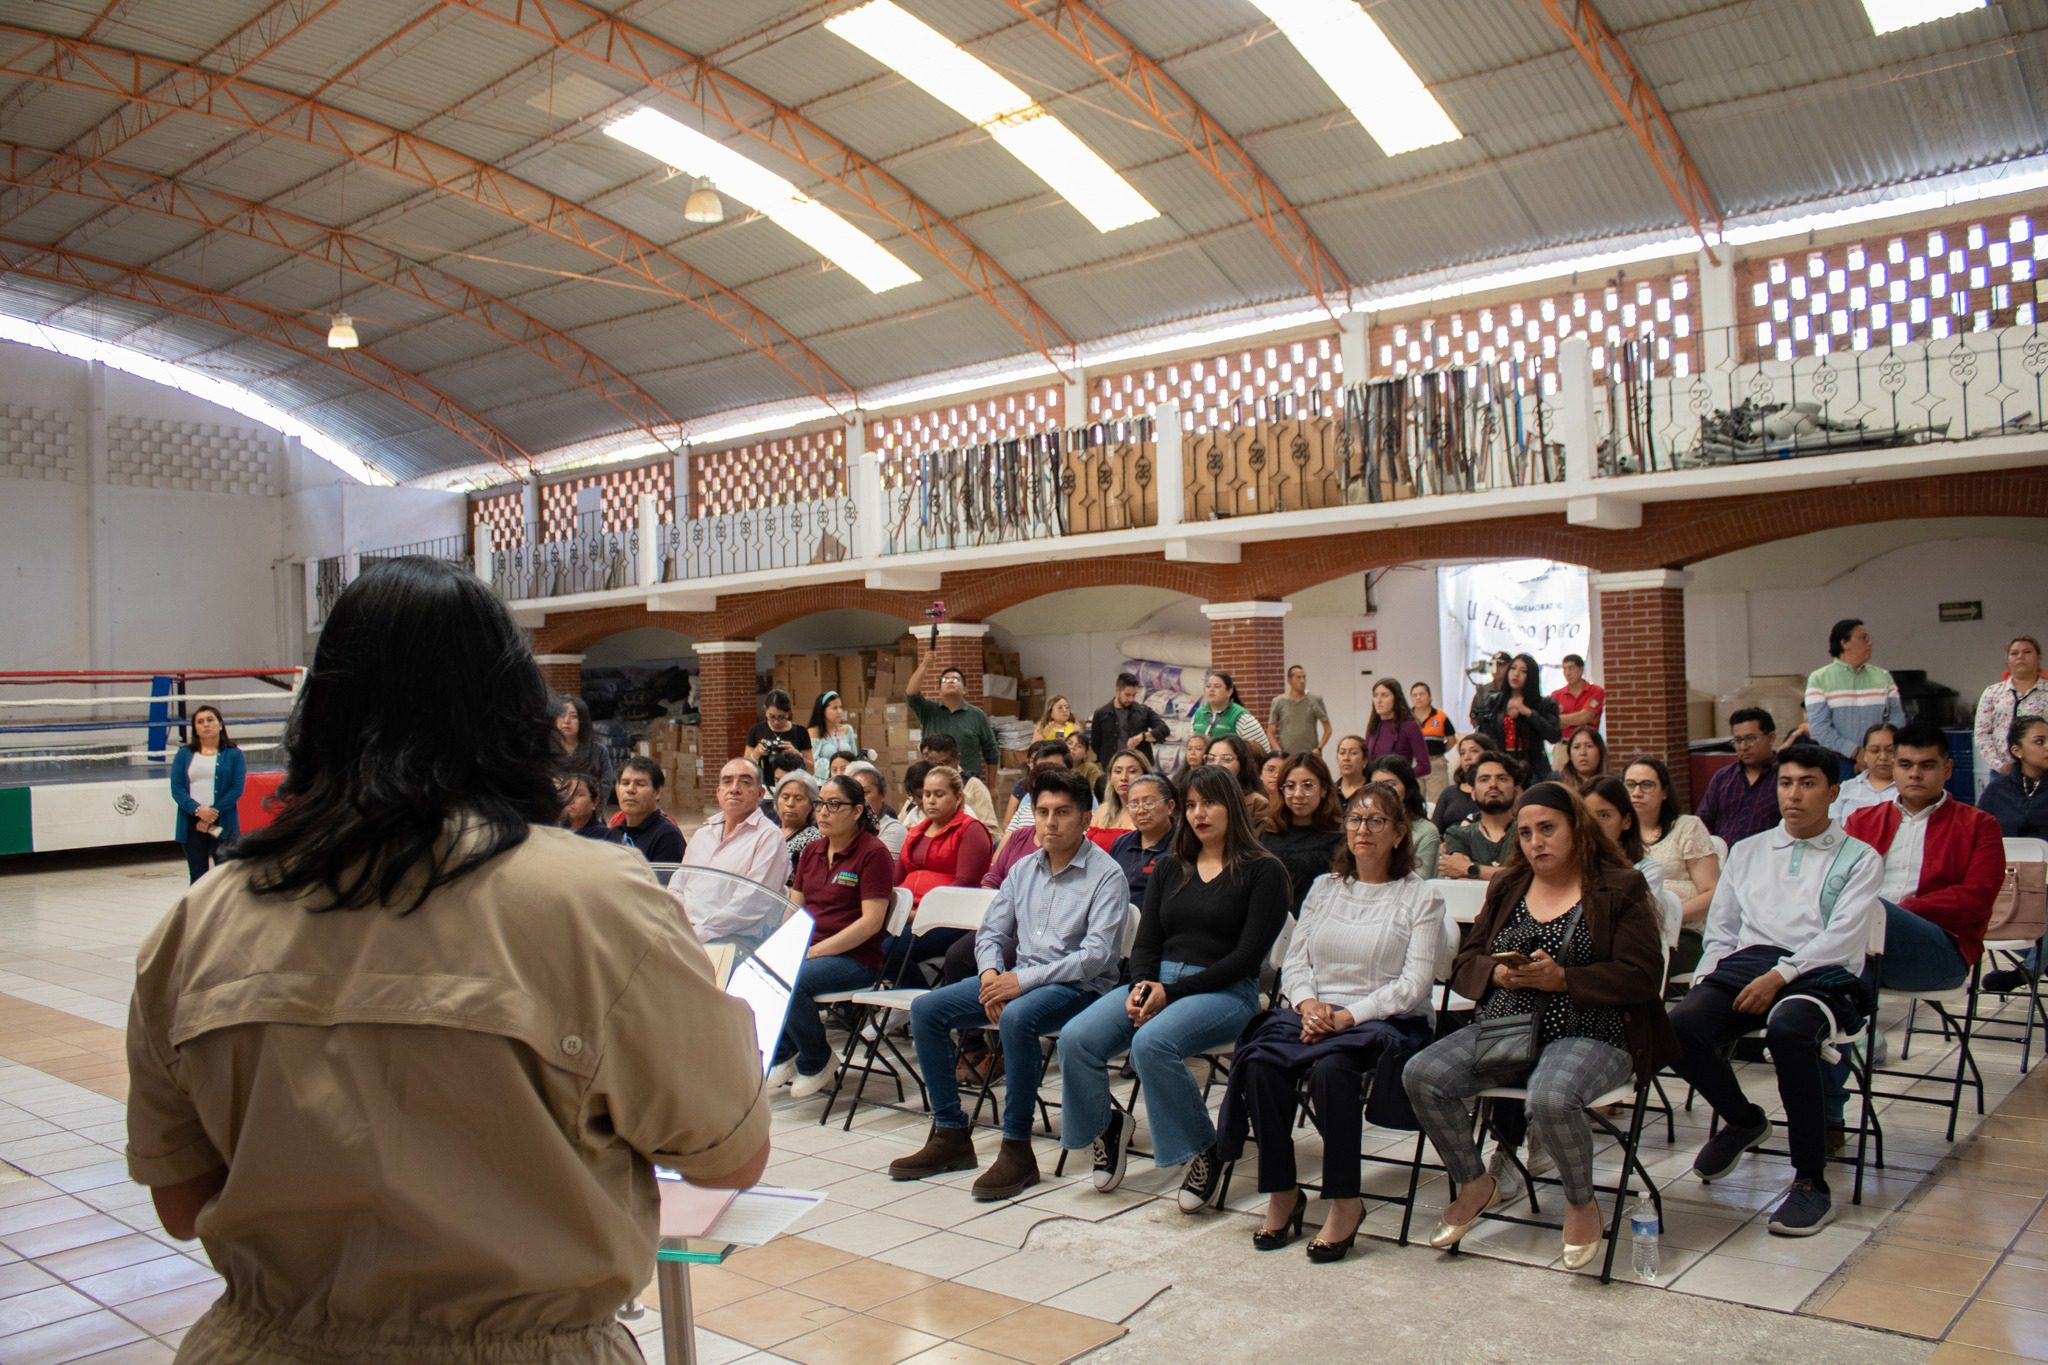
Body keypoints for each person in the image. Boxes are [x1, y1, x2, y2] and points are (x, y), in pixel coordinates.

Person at [127, 557, 768, 1362]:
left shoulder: (202, 920)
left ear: (321, 707)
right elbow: (731, 1154)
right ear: (512, 709)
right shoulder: (597, 903)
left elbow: (182, 1199)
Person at [1404, 782, 1673, 1267]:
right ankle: (1474, 1181)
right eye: (1526, 833)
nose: (1535, 842)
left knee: (1551, 1094)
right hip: (1511, 1027)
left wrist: (1565, 979)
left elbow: (1643, 977)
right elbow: (1465, 963)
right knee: (1422, 1074)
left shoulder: (1619, 885)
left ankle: (1580, 1200)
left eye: (1547, 829)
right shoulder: (1508, 884)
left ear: (1578, 829)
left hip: (1595, 1030)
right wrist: (1498, 972)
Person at [1218, 783, 1442, 1262]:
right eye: (1356, 820)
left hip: (1385, 1018)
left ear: (1400, 833)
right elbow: (1295, 963)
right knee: (1259, 1062)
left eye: (1377, 820)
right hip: (1317, 1014)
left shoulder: (1420, 898)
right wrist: (1307, 1004)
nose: (1363, 830)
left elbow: (1413, 986)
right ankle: (1282, 1192)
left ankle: (1345, 1200)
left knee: (1333, 1070)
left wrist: (1346, 1017)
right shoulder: (1325, 888)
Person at [1668, 743, 1884, 1237]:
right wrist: (1706, 982)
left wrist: (1781, 976)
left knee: (1788, 1031)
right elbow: (1723, 930)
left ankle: (1810, 1182)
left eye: (1808, 784)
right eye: (1786, 783)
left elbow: (1842, 937)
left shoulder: (1858, 858)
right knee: (1678, 1027)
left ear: (1832, 792)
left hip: (1822, 971)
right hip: (1748, 964)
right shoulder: (1747, 850)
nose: (1794, 794)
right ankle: (1744, 1120)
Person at [889, 767, 1128, 1200]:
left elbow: (1095, 958)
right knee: (927, 1010)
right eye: (1042, 812)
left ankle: (1017, 1148)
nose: (1050, 822)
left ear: (1085, 819)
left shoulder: (1106, 875)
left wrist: (1019, 982)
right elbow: (991, 933)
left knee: (1017, 1017)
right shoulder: (1023, 870)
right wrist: (991, 976)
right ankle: (950, 1134)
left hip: (1079, 988)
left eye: (1062, 812)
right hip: (1017, 982)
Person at [1059, 765, 1289, 1212]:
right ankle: (1107, 1124)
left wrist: (1172, 993)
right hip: (1158, 980)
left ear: (1233, 806)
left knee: (1151, 1043)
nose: (1199, 814)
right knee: (1076, 1038)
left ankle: (1206, 1148)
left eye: (1210, 803)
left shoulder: (1264, 871)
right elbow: (1147, 941)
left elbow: (1245, 958)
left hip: (1225, 991)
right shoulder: (1170, 867)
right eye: (1191, 805)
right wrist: (1143, 984)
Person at [1843, 721, 2004, 995]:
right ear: (1894, 768)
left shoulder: (1979, 825)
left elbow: (1977, 898)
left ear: (1948, 769)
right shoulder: (1862, 821)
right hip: (1863, 948)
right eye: (1905, 765)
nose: (1915, 774)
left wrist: (1897, 911)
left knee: (1866, 914)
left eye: (1927, 765)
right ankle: (1857, 1034)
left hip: (1940, 951)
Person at [773, 774, 895, 1100]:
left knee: (792, 980)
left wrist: (814, 952)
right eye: (820, 804)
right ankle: (784, 1052)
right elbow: (793, 911)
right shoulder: (812, 850)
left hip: (855, 958)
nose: (823, 812)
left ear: (857, 811)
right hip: (812, 950)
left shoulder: (873, 853)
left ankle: (818, 1059)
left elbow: (870, 924)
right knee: (762, 968)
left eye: (834, 804)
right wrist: (781, 946)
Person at [891, 766, 996, 980]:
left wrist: (918, 914)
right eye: (927, 794)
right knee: (868, 942)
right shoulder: (917, 831)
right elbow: (896, 879)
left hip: (949, 919)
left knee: (890, 950)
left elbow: (964, 886)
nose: (930, 800)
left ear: (957, 797)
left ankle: (922, 1003)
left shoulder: (971, 830)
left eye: (939, 795)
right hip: (907, 914)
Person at [675, 758, 791, 947]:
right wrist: (680, 925)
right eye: (727, 781)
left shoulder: (768, 837)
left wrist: (698, 933)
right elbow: (677, 887)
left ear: (760, 793)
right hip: (685, 933)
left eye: (745, 782)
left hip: (733, 940)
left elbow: (749, 906)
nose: (734, 789)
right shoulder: (702, 835)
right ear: (719, 792)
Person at [1624, 756, 1720, 975]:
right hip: (1631, 934)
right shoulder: (1617, 835)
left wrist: (1667, 916)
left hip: (1683, 934)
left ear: (1664, 792)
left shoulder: (1687, 827)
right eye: (1630, 785)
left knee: (1630, 961)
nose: (1637, 792)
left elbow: (1714, 892)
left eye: (1646, 785)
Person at [1980, 716, 2048, 993]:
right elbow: (1979, 840)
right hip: (2007, 889)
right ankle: (2038, 964)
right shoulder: (1996, 791)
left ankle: (2026, 972)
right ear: (2018, 751)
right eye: (2040, 742)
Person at [1581, 776, 1681, 948]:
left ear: (1626, 821)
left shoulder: (1645, 872)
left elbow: (1637, 930)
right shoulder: (1567, 868)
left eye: (1604, 816)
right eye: (1588, 818)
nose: (1595, 826)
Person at [1805, 619, 1906, 762]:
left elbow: (1897, 718)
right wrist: (1855, 752)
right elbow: (1819, 729)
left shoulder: (1883, 676)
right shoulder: (1819, 679)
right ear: (1844, 643)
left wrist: (1876, 752)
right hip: (1840, 761)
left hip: (1881, 760)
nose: (1869, 643)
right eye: (1864, 637)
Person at [1263, 753, 1345, 916]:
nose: (1298, 794)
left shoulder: (1339, 837)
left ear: (1323, 789)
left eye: (1307, 786)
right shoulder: (1267, 831)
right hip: (1269, 925)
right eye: (1290, 786)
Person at [171, 704, 245, 883]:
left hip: (222, 823)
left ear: (220, 724)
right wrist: (198, 811)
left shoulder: (234, 754)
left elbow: (236, 789)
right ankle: (198, 911)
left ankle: (226, 911)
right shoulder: (184, 754)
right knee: (198, 877)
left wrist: (210, 814)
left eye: (210, 720)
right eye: (200, 721)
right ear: (195, 728)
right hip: (192, 824)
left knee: (225, 875)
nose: (205, 724)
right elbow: (177, 789)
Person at [906, 652, 1000, 787]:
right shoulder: (929, 711)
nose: (950, 681)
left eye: (956, 679)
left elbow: (991, 752)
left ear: (965, 690)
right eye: (945, 680)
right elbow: (911, 693)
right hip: (934, 780)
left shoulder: (977, 715)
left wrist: (992, 786)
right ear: (939, 691)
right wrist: (925, 664)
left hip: (968, 783)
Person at [1696, 707, 1784, 848]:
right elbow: (1702, 823)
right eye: (1737, 740)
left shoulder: (1785, 777)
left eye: (1751, 738)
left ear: (1771, 737)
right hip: (1724, 860)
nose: (1743, 747)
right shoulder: (1723, 778)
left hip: (1768, 859)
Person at [1975, 636, 2048, 797]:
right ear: (2007, 660)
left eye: (2027, 652)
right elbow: (1981, 734)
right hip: (2002, 773)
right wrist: (1999, 765)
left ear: (2039, 657)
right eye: (2014, 653)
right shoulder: (1992, 693)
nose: (2020, 656)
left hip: (2043, 772)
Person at [1474, 653, 1561, 780]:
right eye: (1513, 668)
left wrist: (1528, 712)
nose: (1516, 674)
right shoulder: (1494, 701)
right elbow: (1484, 734)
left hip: (1533, 770)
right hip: (1501, 767)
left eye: (1523, 671)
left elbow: (1554, 735)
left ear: (1531, 676)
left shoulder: (1544, 704)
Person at [1440, 755, 1524, 882]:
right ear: (1473, 794)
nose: (1493, 785)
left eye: (1502, 778)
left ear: (1516, 791)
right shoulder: (1458, 834)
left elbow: (1526, 877)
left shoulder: (1527, 832)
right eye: (1484, 779)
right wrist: (1506, 873)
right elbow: (1458, 874)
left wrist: (1471, 870)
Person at [1109, 773, 1178, 906]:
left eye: (1149, 803)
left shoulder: (1182, 844)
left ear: (1170, 806)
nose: (1141, 810)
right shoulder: (1121, 843)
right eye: (1134, 805)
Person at [1368, 753, 1440, 879]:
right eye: (1375, 786)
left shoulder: (1426, 832)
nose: (1383, 792)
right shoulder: (1362, 826)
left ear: (1407, 787)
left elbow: (1419, 881)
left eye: (1391, 785)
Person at [608, 757, 685, 864]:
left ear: (657, 792)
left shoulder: (667, 836)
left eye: (640, 784)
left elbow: (661, 880)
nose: (630, 790)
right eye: (625, 783)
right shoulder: (614, 833)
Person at [918, 734, 999, 833]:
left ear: (957, 759)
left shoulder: (973, 786)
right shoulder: (924, 784)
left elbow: (992, 831)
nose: (941, 769)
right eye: (935, 765)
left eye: (946, 763)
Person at [1089, 671, 1170, 765]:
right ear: (1117, 691)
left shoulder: (1143, 711)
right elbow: (1096, 745)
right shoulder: (1101, 714)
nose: (1131, 699)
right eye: (1127, 695)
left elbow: (1164, 729)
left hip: (1140, 767)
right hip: (1112, 768)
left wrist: (1142, 737)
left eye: (1134, 695)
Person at [1189, 670, 1274, 752]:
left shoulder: (1242, 718)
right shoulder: (1198, 714)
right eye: (1208, 686)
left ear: (1229, 692)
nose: (1211, 689)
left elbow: (1262, 751)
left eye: (1217, 686)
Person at [1364, 677, 1432, 778]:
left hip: (1399, 788)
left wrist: (1399, 778)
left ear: (1396, 698)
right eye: (1375, 695)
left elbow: (1425, 766)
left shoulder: (1410, 726)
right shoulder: (1373, 726)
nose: (1378, 700)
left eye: (1384, 695)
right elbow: (1367, 763)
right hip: (1375, 789)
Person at [1831, 723, 1900, 822]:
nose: (1883, 757)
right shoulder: (1846, 789)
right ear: (1865, 754)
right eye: (1875, 750)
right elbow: (1833, 826)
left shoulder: (1909, 790)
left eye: (1890, 750)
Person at [1431, 734, 1499, 833]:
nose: (1467, 757)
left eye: (1474, 751)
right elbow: (1435, 831)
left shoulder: (1495, 790)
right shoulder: (1449, 793)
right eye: (1462, 753)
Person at [1090, 749, 1154, 848]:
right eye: (1118, 771)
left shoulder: (1150, 813)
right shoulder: (1103, 810)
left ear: (1145, 775)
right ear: (1110, 776)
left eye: (1132, 771)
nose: (1123, 777)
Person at [552, 694, 613, 798]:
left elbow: (606, 785)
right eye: (561, 715)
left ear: (582, 721)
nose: (566, 721)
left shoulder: (598, 751)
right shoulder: (543, 750)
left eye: (574, 716)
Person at [846, 760, 908, 857]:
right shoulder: (847, 828)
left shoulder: (893, 829)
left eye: (865, 792)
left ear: (882, 794)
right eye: (854, 793)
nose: (859, 798)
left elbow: (880, 868)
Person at [744, 688, 812, 777]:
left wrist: (797, 755)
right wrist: (756, 754)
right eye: (771, 716)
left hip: (793, 782)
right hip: (765, 785)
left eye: (781, 717)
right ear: (765, 710)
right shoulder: (756, 730)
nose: (776, 722)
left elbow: (811, 770)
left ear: (788, 713)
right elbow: (745, 769)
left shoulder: (800, 732)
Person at [1268, 665, 1332, 757]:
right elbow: (1270, 731)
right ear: (1289, 680)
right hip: (1287, 755)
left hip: (1310, 755)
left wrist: (1319, 748)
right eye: (1298, 678)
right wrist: (1278, 751)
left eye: (1304, 677)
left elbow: (1328, 729)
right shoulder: (1278, 702)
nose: (1302, 681)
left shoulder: (1315, 700)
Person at [773, 769, 823, 879]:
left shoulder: (814, 839)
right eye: (785, 797)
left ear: (812, 804)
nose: (790, 804)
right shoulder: (769, 831)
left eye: (798, 798)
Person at [1411, 682, 1457, 801]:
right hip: (1413, 764)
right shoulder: (1406, 718)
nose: (1418, 697)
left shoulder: (1440, 716)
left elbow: (1452, 739)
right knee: (1414, 801)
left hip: (1435, 763)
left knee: (1438, 801)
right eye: (1414, 695)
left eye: (1422, 694)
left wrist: (1439, 751)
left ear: (1429, 697)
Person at [807, 691, 860, 779]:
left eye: (840, 707)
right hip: (824, 781)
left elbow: (855, 757)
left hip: (848, 779)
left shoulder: (847, 729)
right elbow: (812, 763)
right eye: (835, 708)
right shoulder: (814, 732)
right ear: (823, 710)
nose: (839, 711)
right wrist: (836, 771)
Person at [1552, 654, 1606, 732]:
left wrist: (1559, 719)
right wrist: (1583, 720)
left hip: (1588, 741)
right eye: (1564, 669)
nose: (1567, 673)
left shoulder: (1596, 692)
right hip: (1563, 742)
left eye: (1571, 668)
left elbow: (1585, 717)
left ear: (1581, 669)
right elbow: (1550, 723)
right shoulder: (1556, 695)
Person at [1469, 651, 1511, 729]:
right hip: (1486, 736)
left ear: (1509, 667)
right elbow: (1473, 719)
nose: (1496, 669)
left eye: (1501, 665)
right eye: (1493, 665)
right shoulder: (1483, 690)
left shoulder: (1514, 691)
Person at [1561, 726, 1607, 793]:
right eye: (1576, 747)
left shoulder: (1614, 784)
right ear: (1569, 755)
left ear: (1601, 751)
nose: (1583, 753)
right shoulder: (1557, 783)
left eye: (1589, 746)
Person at [560, 774, 607, 839]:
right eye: (566, 793)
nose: (569, 799)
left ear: (594, 803)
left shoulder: (602, 836)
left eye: (578, 794)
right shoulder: (556, 829)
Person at [1333, 733, 1369, 805]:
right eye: (1342, 753)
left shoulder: (1372, 791)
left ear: (1365, 760)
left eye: (1353, 753)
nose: (1346, 758)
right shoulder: (1330, 792)